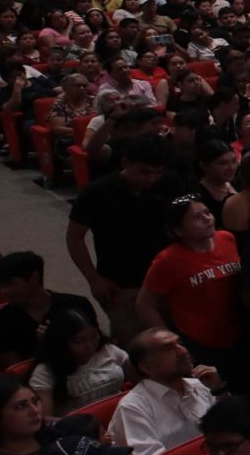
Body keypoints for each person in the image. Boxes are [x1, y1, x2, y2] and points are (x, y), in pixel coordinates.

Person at [66, 134, 180, 333]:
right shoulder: (96, 192)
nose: (151, 179)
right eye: (144, 172)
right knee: (132, 341)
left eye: (158, 172)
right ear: (126, 162)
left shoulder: (169, 183)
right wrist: (94, 279)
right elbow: (75, 237)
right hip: (122, 285)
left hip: (168, 280)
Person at [136, 196, 243, 367]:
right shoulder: (167, 260)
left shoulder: (227, 238)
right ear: (178, 230)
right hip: (200, 343)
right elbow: (145, 305)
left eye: (207, 212)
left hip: (239, 333)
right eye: (197, 217)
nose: (207, 219)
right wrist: (171, 342)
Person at [110, 329, 222, 455]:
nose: (183, 351)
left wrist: (219, 391)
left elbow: (234, 431)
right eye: (168, 349)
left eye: (180, 343)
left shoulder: (201, 385)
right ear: (147, 367)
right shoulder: (132, 408)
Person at [0, 252, 99, 374]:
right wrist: (51, 345)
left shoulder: (77, 305)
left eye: (10, 283)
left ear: (34, 278)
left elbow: (97, 349)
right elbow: (19, 375)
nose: (4, 291)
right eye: (0, 286)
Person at [27, 308, 128, 417]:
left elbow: (138, 382)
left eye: (94, 336)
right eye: (79, 341)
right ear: (61, 342)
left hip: (122, 414)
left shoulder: (107, 350)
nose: (89, 345)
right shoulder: (45, 371)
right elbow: (45, 419)